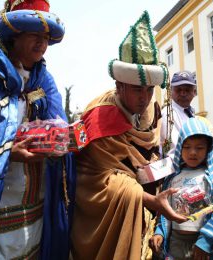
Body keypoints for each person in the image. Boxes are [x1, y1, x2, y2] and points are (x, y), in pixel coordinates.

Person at [0, 1, 75, 259]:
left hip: (36, 211)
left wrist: (61, 141)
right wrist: (8, 153)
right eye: (34, 34)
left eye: (46, 37)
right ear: (15, 35)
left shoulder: (44, 81)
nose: (42, 43)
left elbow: (61, 131)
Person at [71, 11, 186, 260]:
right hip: (105, 216)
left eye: (149, 89)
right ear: (119, 85)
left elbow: (152, 152)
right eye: (136, 90)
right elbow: (97, 180)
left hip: (147, 209)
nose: (144, 98)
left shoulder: (153, 108)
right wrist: (148, 199)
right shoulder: (100, 116)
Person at [150, 118, 213, 259]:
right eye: (187, 147)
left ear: (208, 149)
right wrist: (160, 231)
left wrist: (205, 241)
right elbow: (164, 208)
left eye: (199, 148)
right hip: (176, 242)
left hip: (203, 244)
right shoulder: (172, 177)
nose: (192, 152)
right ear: (179, 147)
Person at [160, 70, 197, 157]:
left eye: (187, 90)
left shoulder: (190, 113)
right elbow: (174, 150)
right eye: (178, 90)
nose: (183, 93)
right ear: (171, 92)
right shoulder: (168, 114)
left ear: (194, 92)